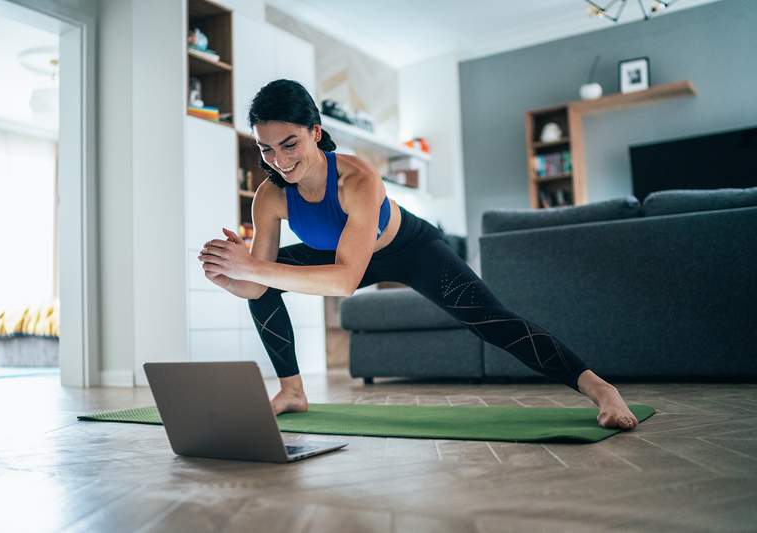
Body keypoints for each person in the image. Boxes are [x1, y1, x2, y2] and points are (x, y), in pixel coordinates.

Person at [197, 79, 638, 430]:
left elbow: (346, 280)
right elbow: (260, 284)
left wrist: (255, 267)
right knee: (264, 289)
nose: (277, 159)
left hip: (409, 249)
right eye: (265, 148)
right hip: (341, 256)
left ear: (315, 132)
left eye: (289, 144)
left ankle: (601, 390)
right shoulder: (269, 196)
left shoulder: (357, 179)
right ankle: (292, 390)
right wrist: (234, 276)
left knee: (492, 320)